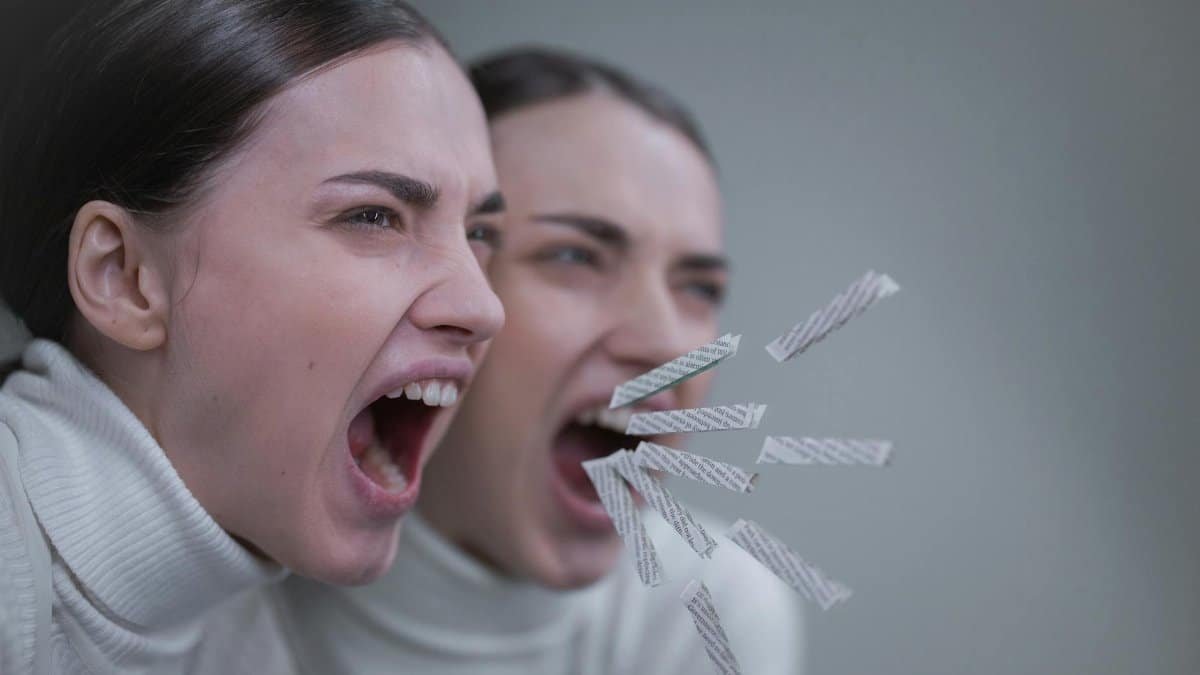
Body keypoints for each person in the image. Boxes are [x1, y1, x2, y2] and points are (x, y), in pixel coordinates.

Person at [0, 2, 505, 673]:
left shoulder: (251, 643)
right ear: (121, 275)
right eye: (374, 215)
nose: (484, 306)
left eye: (478, 233)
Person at [275, 47, 805, 674]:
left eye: (698, 287)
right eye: (574, 257)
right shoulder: (216, 605)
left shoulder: (711, 612)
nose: (668, 344)